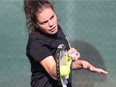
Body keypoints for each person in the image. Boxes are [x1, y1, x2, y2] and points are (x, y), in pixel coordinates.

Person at [23, 0, 108, 87]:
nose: (51, 24)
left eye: (52, 17)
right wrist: (68, 57)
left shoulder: (57, 30)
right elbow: (54, 73)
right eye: (44, 22)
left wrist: (83, 64)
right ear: (35, 24)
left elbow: (66, 65)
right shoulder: (36, 41)